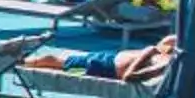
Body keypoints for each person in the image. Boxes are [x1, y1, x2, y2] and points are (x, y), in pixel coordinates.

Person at [28, 38, 177, 84]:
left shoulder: (165, 64)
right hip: (106, 59)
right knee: (60, 64)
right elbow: (167, 41)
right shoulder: (173, 52)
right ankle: (23, 62)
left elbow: (129, 77)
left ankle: (19, 63)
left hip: (100, 68)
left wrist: (146, 53)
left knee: (55, 61)